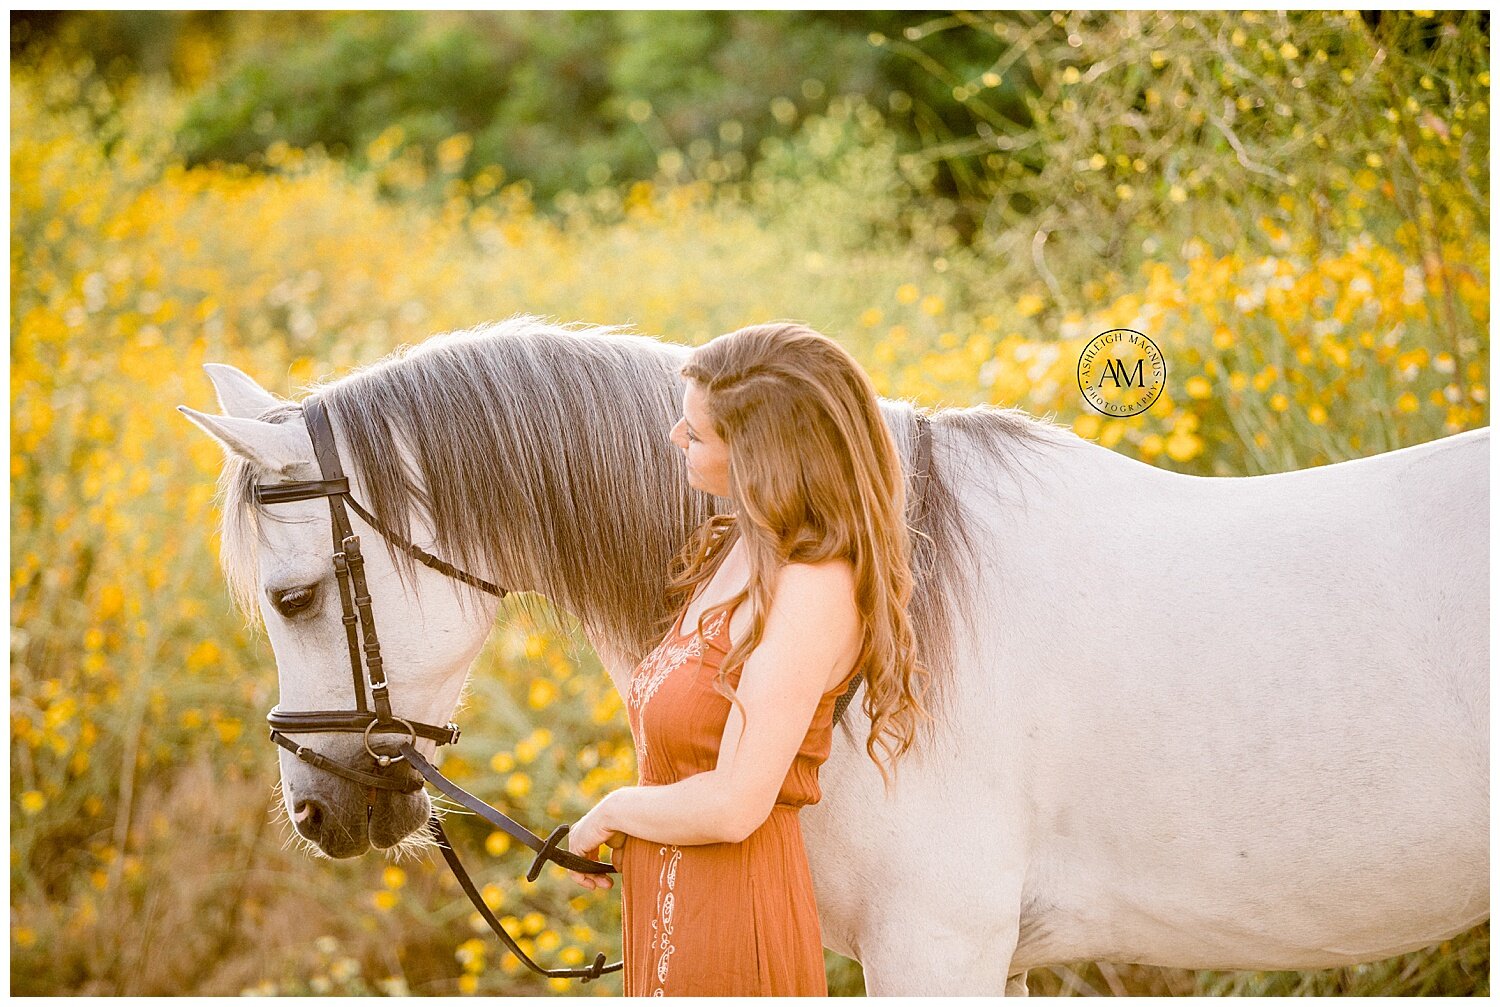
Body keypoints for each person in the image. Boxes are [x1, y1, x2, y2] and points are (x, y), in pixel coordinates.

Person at [564, 322, 934, 996]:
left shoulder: (811, 587)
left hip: (733, 921)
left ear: (761, 454)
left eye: (696, 432)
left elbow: (737, 802)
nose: (676, 437)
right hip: (675, 911)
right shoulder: (742, 549)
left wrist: (612, 810)